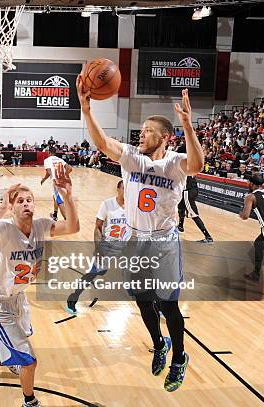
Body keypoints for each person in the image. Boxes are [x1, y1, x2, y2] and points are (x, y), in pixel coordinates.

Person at [78, 76, 204, 392]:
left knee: (169, 305)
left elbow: (198, 165)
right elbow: (103, 143)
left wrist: (188, 126)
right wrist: (86, 109)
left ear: (165, 137)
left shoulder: (175, 162)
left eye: (148, 131)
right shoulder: (132, 158)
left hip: (163, 242)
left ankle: (179, 357)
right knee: (143, 301)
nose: (142, 134)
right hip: (136, 240)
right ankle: (158, 342)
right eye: (142, 129)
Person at [0, 169, 79, 407]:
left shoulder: (40, 226)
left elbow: (73, 228)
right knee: (29, 361)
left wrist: (68, 196)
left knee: (25, 337)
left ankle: (5, 355)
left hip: (19, 299)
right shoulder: (5, 229)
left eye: (29, 200)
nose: (26, 203)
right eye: (20, 201)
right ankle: (29, 401)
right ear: (13, 207)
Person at [66, 180, 126, 313]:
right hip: (108, 246)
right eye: (123, 188)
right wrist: (98, 249)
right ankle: (73, 298)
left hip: (126, 247)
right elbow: (98, 227)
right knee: (93, 273)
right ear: (118, 189)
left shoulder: (134, 206)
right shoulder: (107, 204)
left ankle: (158, 305)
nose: (126, 191)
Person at [177, 174, 214, 244]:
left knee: (194, 215)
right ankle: (180, 227)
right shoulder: (187, 167)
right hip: (188, 190)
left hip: (187, 192)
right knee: (181, 207)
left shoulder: (184, 168)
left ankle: (208, 237)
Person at [40, 149, 71, 221]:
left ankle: (67, 220)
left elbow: (48, 172)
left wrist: (44, 179)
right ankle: (55, 214)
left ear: (49, 152)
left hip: (57, 181)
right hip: (64, 180)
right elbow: (70, 168)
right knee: (56, 197)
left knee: (59, 201)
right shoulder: (60, 159)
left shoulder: (47, 160)